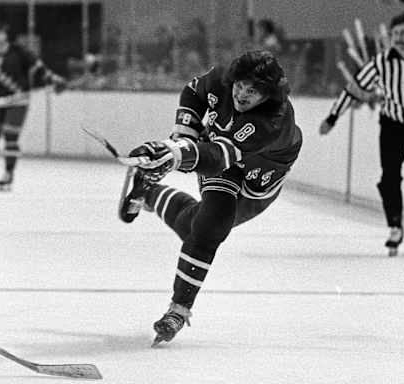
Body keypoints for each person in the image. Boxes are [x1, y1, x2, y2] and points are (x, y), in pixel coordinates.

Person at [118, 50, 302, 345]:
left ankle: (149, 191)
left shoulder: (273, 121)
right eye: (240, 85)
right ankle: (178, 309)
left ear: (268, 95)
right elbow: (193, 92)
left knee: (194, 227)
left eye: (253, 91)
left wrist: (174, 152)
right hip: (226, 163)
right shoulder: (221, 79)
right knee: (212, 225)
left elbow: (218, 155)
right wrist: (182, 137)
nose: (242, 94)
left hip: (256, 182)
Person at [319, 13, 404, 255]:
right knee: (389, 178)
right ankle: (395, 226)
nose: (397, 38)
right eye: (395, 33)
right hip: (393, 125)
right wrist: (333, 117)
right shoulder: (382, 62)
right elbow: (354, 88)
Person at [0, 22, 66, 191]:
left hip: (18, 100)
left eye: (0, 33)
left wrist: (54, 80)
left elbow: (40, 69)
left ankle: (8, 173)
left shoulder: (20, 52)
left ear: (6, 36)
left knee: (10, 136)